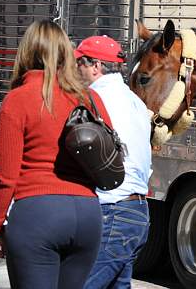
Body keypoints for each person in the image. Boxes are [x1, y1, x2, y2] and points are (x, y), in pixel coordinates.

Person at [0, 20, 112, 288]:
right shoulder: (89, 99)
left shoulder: (18, 100)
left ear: (27, 52)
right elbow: (110, 154)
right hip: (88, 216)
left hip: (38, 215)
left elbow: (5, 176)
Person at [75, 35, 152, 289]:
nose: (76, 70)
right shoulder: (136, 103)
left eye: (80, 64)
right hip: (137, 210)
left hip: (112, 210)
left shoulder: (94, 100)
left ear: (96, 66)